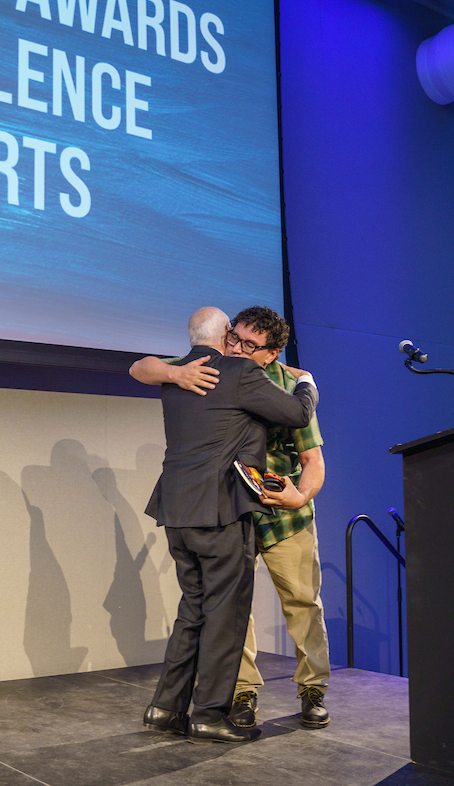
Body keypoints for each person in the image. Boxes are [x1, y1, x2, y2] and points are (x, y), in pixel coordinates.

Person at [131, 306, 331, 730]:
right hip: (226, 510)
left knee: (278, 605)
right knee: (228, 615)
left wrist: (300, 497)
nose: (237, 347)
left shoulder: (269, 381)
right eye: (233, 338)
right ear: (224, 335)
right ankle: (221, 708)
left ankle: (169, 709)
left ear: (273, 353)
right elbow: (140, 366)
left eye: (249, 344)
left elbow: (312, 455)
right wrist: (175, 373)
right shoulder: (212, 370)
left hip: (259, 515)